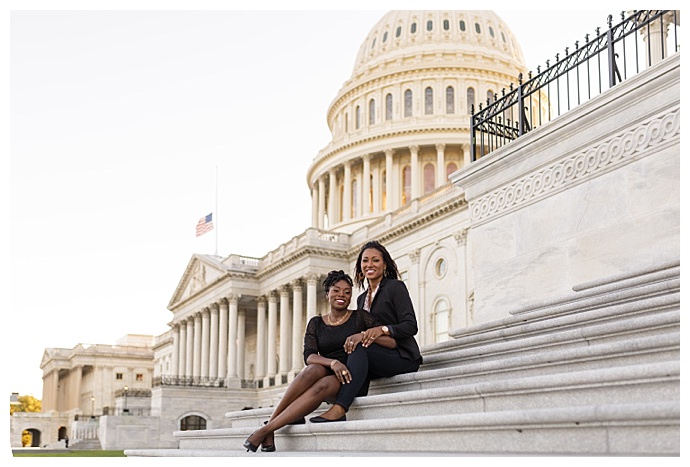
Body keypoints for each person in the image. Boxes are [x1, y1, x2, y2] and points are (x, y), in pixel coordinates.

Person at [243, 270, 395, 452]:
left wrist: (363, 336)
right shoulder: (316, 323)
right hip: (329, 369)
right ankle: (270, 428)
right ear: (327, 294)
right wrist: (333, 363)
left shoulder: (360, 318)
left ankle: (265, 430)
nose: (342, 295)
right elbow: (309, 356)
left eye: (347, 292)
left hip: (351, 376)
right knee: (311, 370)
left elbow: (391, 342)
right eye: (336, 290)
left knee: (322, 382)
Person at [310, 240, 423, 423]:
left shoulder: (395, 287)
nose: (369, 265)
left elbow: (411, 326)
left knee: (359, 349)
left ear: (384, 264)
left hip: (402, 355)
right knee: (346, 355)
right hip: (376, 357)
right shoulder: (361, 298)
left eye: (375, 260)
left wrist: (382, 329)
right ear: (360, 266)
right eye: (365, 261)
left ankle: (340, 408)